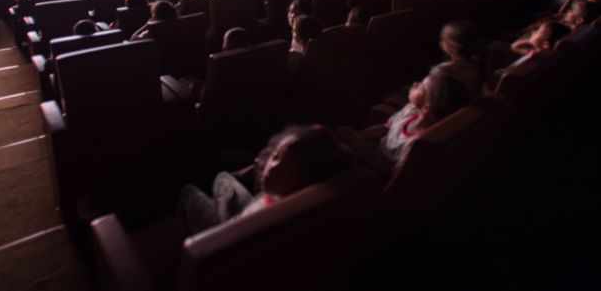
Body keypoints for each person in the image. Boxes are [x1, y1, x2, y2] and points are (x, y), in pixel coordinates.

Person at [177, 125, 352, 234]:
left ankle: (177, 233)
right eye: (276, 156)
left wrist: (224, 206)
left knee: (188, 190)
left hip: (226, 231)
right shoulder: (300, 202)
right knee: (223, 177)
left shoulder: (264, 216)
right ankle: (237, 174)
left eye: (289, 170)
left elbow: (227, 238)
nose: (273, 167)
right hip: (260, 207)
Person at [338, 67, 470, 177]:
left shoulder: (414, 146)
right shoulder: (412, 109)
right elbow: (386, 128)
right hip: (373, 147)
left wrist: (356, 148)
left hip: (373, 168)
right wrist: (358, 136)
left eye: (421, 86)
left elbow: (388, 175)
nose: (414, 83)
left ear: (426, 107)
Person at [434, 21, 485, 101]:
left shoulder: (441, 71)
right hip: (470, 109)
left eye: (442, 39)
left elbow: (433, 101)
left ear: (449, 46)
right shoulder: (478, 63)